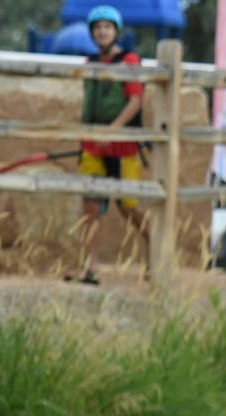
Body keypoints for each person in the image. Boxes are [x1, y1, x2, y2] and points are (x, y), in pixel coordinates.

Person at [74, 6, 148, 286]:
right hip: (93, 146)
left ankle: (155, 252)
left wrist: (112, 131)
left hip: (123, 147)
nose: (102, 32)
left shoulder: (129, 60)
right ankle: (90, 267)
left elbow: (135, 101)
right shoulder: (90, 62)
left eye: (107, 27)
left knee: (129, 206)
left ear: (116, 31)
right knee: (90, 206)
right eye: (97, 27)